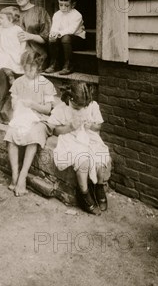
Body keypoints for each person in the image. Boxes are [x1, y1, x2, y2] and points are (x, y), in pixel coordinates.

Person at [0, 0, 51, 123]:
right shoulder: (12, 12)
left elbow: (47, 38)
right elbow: (3, 36)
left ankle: (7, 111)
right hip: (11, 49)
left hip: (33, 49)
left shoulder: (40, 12)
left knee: (20, 58)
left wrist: (30, 36)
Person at [48, 82, 111, 215]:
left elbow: (98, 126)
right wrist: (69, 127)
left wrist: (91, 126)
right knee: (82, 160)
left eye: (84, 106)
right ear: (71, 99)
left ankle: (99, 187)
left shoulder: (92, 106)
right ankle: (84, 194)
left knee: (101, 156)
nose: (82, 109)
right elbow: (54, 131)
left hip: (89, 136)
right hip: (70, 137)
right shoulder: (62, 108)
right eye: (78, 107)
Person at [4, 50, 56, 196]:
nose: (27, 72)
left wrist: (32, 104)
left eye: (31, 69)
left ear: (38, 67)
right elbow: (14, 106)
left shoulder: (45, 83)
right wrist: (19, 103)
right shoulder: (19, 82)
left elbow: (47, 110)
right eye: (25, 69)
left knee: (33, 134)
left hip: (40, 119)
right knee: (12, 132)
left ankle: (23, 176)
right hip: (23, 117)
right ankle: (15, 173)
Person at [45, 0, 86, 75]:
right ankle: (54, 63)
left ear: (73, 4)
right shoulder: (57, 14)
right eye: (61, 5)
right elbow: (54, 27)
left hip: (77, 40)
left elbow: (71, 30)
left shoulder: (77, 15)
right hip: (63, 39)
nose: (63, 8)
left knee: (66, 38)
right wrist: (53, 34)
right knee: (51, 38)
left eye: (66, 5)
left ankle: (68, 64)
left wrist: (58, 33)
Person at [0, 6, 27, 84]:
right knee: (2, 60)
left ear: (10, 20)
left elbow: (23, 41)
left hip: (14, 50)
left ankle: (19, 79)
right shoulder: (1, 28)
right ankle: (10, 76)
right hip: (4, 50)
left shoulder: (17, 29)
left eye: (1, 18)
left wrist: (21, 51)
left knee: (16, 64)